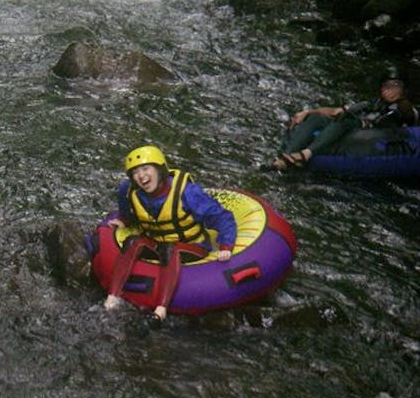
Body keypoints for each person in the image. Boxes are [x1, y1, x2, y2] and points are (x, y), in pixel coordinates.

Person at [103, 146, 237, 321]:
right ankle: (112, 298)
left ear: (159, 169)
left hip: (192, 245)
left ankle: (161, 310)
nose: (141, 176)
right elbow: (127, 209)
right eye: (135, 172)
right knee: (132, 241)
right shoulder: (128, 190)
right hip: (156, 242)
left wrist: (226, 245)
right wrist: (125, 220)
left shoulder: (188, 192)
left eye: (146, 169)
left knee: (169, 248)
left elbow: (222, 217)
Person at [268, 78, 418, 170]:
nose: (387, 92)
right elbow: (336, 111)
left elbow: (405, 119)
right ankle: (285, 158)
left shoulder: (403, 107)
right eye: (386, 89)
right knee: (316, 118)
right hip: (353, 122)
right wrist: (308, 112)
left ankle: (306, 154)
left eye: (392, 90)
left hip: (368, 132)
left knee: (342, 123)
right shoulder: (372, 103)